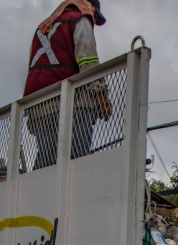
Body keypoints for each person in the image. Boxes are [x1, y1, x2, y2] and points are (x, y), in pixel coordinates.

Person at [23, 0, 112, 169]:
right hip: (73, 103)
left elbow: (33, 69)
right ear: (88, 7)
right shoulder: (79, 19)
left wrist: (30, 111)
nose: (93, 19)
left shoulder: (42, 30)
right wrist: (100, 94)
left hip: (40, 107)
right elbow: (88, 60)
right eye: (94, 14)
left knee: (46, 162)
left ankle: (40, 185)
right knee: (77, 160)